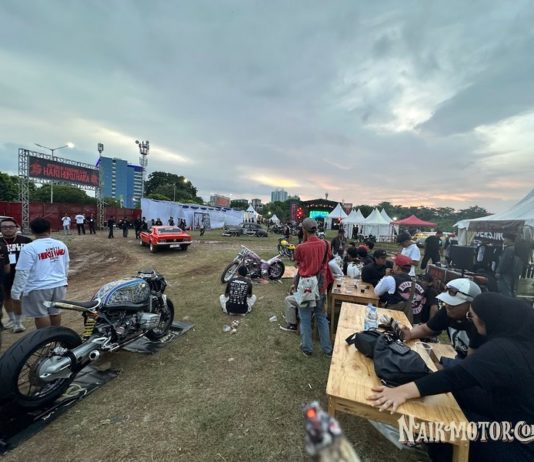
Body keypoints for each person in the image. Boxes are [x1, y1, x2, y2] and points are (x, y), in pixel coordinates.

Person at [367, 293, 534, 462]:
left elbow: (454, 377)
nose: (470, 320)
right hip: (511, 416)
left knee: (440, 424)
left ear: (486, 319)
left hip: (520, 444)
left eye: (471, 316)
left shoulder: (503, 350)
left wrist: (401, 392)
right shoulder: (522, 342)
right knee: (452, 398)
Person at [401, 278, 483, 361]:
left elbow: (472, 362)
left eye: (454, 303)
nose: (448, 306)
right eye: (447, 301)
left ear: (471, 304)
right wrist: (410, 334)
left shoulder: (479, 324)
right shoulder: (447, 311)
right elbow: (427, 329)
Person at [11, 218, 69, 329]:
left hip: (38, 287)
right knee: (55, 312)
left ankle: (45, 338)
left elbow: (22, 271)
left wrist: (16, 291)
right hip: (59, 284)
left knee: (41, 315)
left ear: (32, 231)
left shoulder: (29, 248)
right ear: (50, 230)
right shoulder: (61, 245)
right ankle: (56, 336)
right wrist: (64, 280)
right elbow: (65, 264)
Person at [293, 218, 332, 356]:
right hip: (320, 285)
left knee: (305, 317)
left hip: (306, 286)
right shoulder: (326, 244)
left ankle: (307, 348)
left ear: (304, 230)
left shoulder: (300, 247)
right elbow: (328, 260)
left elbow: (297, 263)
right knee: (321, 317)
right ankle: (327, 349)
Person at [0, 218, 32, 333]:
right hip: (4, 273)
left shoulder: (26, 241)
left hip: (22, 273)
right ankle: (12, 319)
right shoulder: (0, 242)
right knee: (6, 296)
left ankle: (19, 320)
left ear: (16, 228)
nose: (8, 229)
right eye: (4, 227)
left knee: (19, 297)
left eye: (11, 227)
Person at [374, 254, 426, 324]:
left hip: (393, 320)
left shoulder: (391, 279)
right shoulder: (418, 283)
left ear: (397, 267)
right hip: (411, 321)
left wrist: (386, 276)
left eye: (394, 264)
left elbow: (376, 292)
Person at [495, 232, 522, 296]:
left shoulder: (509, 249)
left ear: (509, 239)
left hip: (505, 274)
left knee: (505, 291)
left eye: (505, 238)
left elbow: (504, 262)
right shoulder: (516, 248)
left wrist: (498, 271)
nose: (504, 240)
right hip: (513, 273)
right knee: (511, 290)